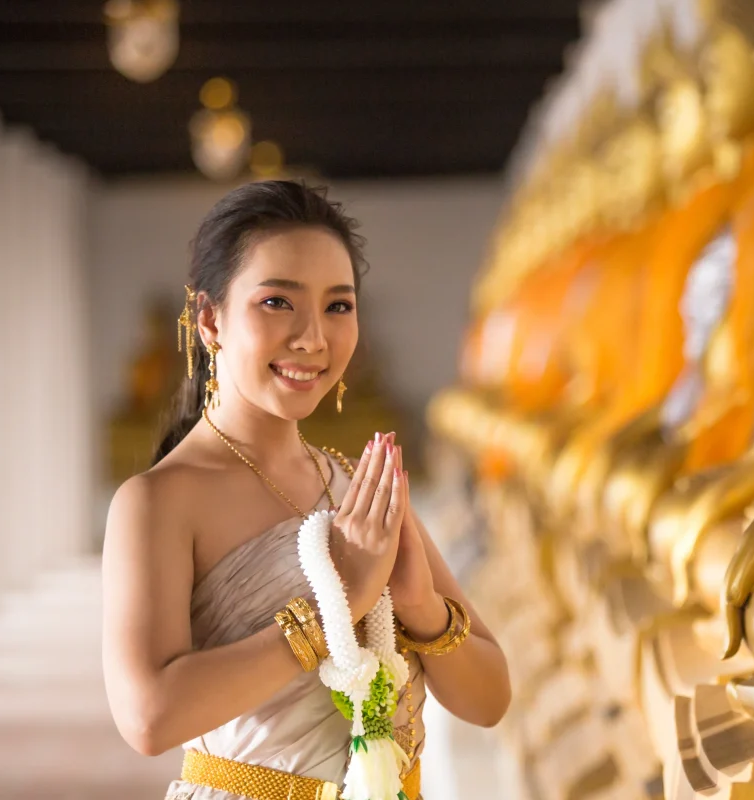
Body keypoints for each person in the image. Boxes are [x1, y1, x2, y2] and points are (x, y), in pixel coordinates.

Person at [101, 180, 511, 800]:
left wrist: (419, 606)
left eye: (338, 306)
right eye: (277, 303)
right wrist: (335, 607)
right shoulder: (159, 499)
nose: (313, 337)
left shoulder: (358, 485)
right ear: (210, 319)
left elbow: (490, 700)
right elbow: (148, 718)